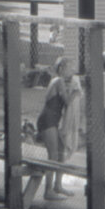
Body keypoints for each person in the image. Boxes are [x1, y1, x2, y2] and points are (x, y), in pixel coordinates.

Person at [35, 58, 75, 199]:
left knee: (61, 151)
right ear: (62, 68)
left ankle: (58, 185)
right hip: (48, 120)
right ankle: (48, 191)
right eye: (70, 67)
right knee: (53, 155)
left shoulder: (59, 81)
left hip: (52, 120)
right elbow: (68, 101)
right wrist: (76, 92)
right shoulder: (58, 81)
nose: (72, 70)